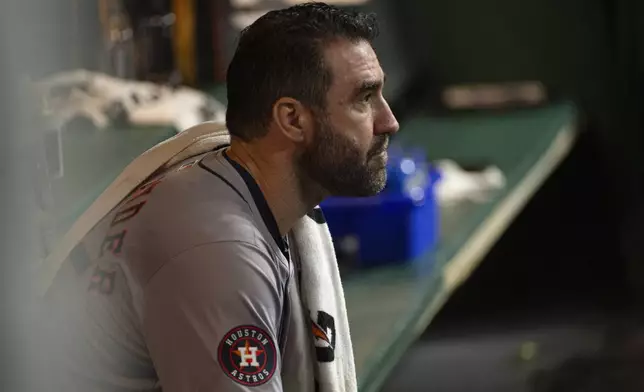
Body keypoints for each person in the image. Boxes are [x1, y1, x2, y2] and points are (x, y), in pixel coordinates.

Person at [39, 2, 399, 391]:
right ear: (292, 119)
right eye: (365, 99)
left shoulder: (229, 191)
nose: (388, 121)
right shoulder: (216, 249)